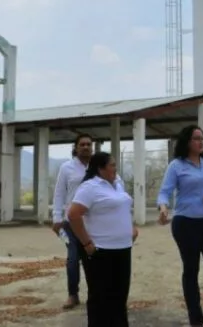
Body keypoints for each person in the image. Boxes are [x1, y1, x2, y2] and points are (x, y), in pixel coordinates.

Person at [156, 124, 203, 327]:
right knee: (191, 271)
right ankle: (196, 320)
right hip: (186, 224)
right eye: (197, 138)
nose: (201, 142)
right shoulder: (176, 166)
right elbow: (164, 192)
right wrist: (163, 207)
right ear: (187, 142)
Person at [67, 151, 138, 327]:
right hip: (101, 251)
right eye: (112, 165)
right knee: (100, 299)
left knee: (120, 297)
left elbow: (123, 207)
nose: (115, 168)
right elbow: (74, 215)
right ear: (100, 168)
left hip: (123, 248)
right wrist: (87, 243)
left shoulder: (117, 184)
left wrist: (131, 227)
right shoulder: (90, 187)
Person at [51, 133, 93, 309]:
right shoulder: (67, 168)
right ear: (75, 148)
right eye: (82, 144)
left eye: (88, 144)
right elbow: (59, 193)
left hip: (92, 221)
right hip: (71, 221)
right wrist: (57, 217)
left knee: (93, 260)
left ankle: (95, 295)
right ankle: (72, 294)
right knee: (73, 259)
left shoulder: (97, 166)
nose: (85, 147)